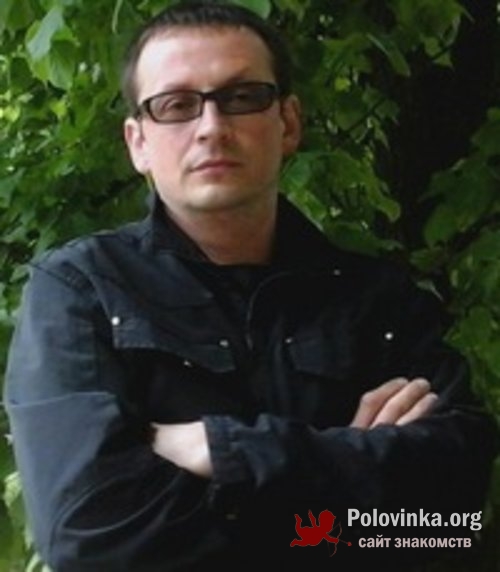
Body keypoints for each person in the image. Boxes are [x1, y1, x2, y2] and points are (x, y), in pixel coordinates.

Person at [4, 1, 498, 571]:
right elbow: (90, 538)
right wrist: (348, 496)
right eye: (176, 105)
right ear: (138, 142)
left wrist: (223, 450)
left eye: (242, 97)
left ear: (288, 123)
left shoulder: (378, 299)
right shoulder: (82, 289)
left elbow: (452, 525)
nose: (212, 127)